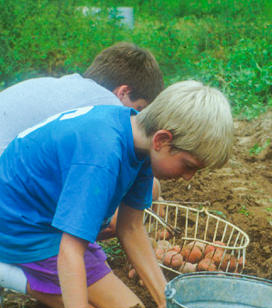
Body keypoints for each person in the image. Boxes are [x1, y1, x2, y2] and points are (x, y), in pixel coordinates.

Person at [0, 80, 234, 308]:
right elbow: (70, 250)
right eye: (188, 166)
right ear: (162, 140)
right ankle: (14, 275)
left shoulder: (137, 138)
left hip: (39, 210)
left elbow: (131, 227)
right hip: (19, 222)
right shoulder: (103, 155)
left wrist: (165, 299)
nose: (188, 178)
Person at [0, 42, 165, 239]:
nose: (136, 117)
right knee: (111, 219)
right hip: (9, 202)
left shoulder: (68, 87)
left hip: (12, 179)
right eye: (138, 108)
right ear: (123, 92)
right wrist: (149, 192)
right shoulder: (109, 109)